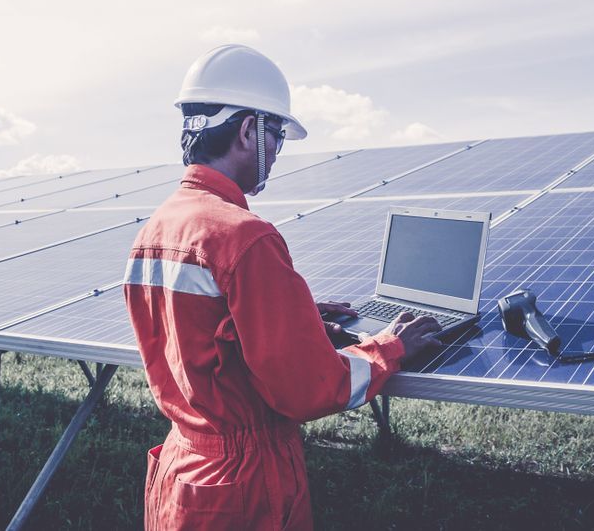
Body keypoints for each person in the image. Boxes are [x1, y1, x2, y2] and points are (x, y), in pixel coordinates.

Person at [124, 44, 442, 530]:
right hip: (243, 487)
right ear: (249, 130)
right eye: (276, 135)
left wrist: (293, 314)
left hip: (181, 472)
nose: (276, 152)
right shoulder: (244, 238)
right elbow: (310, 388)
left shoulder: (155, 232)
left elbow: (200, 328)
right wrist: (391, 348)